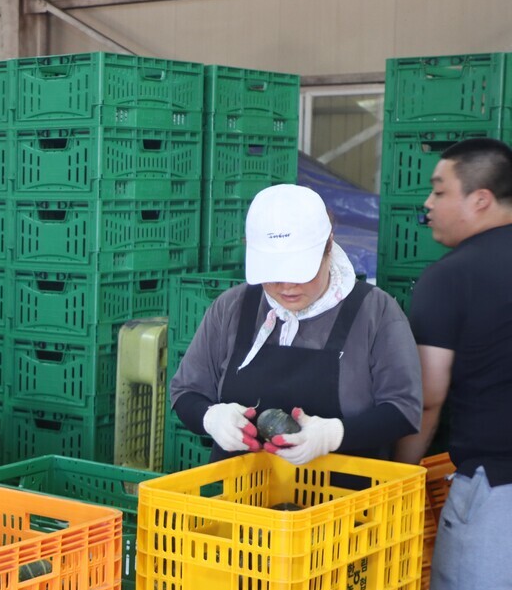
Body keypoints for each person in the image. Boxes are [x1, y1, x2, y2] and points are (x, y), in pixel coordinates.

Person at [395, 137, 512, 590]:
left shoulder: (451, 276)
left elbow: (429, 394)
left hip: (496, 486)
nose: (428, 204)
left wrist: (399, 474)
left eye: (439, 190)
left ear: (480, 198)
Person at [169, 183, 421, 464]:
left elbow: (404, 410)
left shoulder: (375, 312)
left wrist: (334, 434)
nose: (287, 285)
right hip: (239, 500)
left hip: (343, 500)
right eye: (274, 272)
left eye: (301, 271)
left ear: (329, 246)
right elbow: (185, 392)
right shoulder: (232, 307)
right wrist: (210, 418)